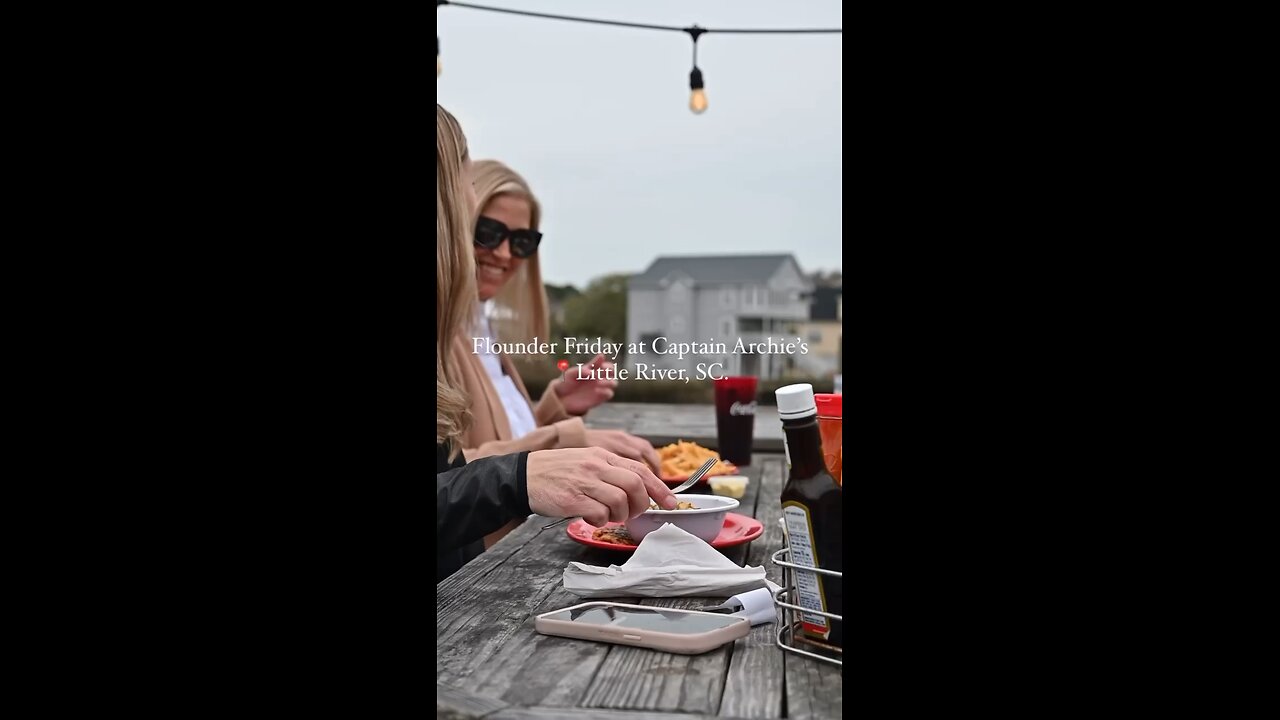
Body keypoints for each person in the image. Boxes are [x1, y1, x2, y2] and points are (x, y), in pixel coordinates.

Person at [436, 104, 676, 582]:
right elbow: (478, 470)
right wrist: (565, 440)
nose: (504, 253)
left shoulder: (477, 330)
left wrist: (553, 408)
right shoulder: (452, 334)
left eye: (522, 241)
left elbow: (469, 466)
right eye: (487, 231)